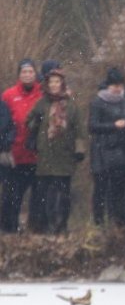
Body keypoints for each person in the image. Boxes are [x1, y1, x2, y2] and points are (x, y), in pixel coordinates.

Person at [26, 68, 86, 234]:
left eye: (57, 81)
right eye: (51, 82)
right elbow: (29, 121)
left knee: (64, 193)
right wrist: (36, 123)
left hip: (64, 154)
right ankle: (45, 225)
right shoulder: (42, 103)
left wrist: (79, 149)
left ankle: (62, 225)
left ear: (62, 84)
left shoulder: (72, 105)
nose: (54, 85)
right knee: (43, 193)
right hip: (45, 154)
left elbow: (79, 128)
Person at [89, 67, 125, 228]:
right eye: (115, 85)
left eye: (120, 85)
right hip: (102, 150)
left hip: (121, 150)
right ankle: (99, 221)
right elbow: (93, 126)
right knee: (101, 188)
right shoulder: (98, 102)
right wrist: (113, 126)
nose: (117, 89)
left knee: (119, 188)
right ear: (108, 85)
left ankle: (119, 221)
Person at [0, 59, 43, 234]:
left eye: (30, 72)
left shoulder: (42, 93)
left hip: (37, 154)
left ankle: (36, 229)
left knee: (38, 196)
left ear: (35, 74)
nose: (27, 75)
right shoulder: (9, 95)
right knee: (13, 195)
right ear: (19, 75)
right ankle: (9, 227)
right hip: (15, 154)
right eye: (24, 72)